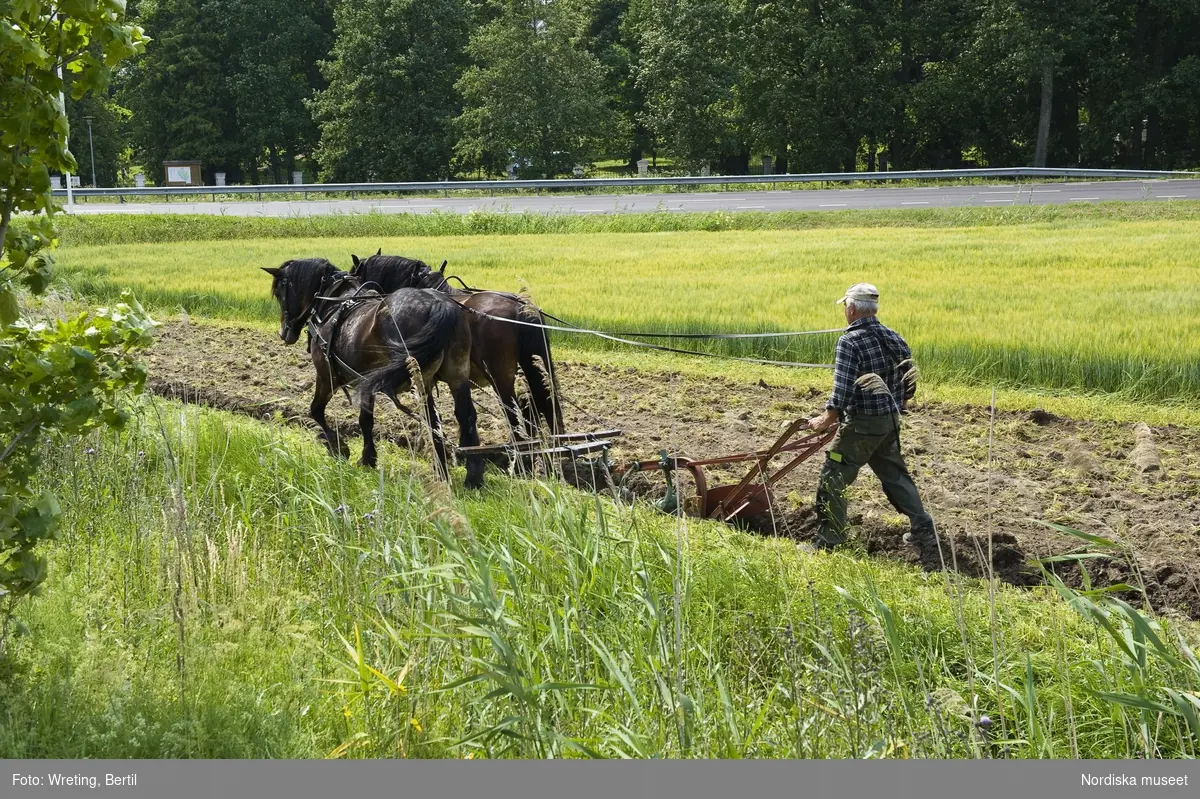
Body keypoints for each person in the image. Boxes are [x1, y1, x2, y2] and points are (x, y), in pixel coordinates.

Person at [807, 283, 938, 560]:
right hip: (889, 422)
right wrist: (899, 403)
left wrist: (827, 418)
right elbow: (908, 379)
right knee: (895, 474)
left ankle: (829, 541)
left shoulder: (849, 341)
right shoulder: (894, 336)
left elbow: (842, 388)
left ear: (852, 309)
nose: (845, 311)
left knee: (833, 477)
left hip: (861, 426)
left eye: (845, 306)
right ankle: (923, 528)